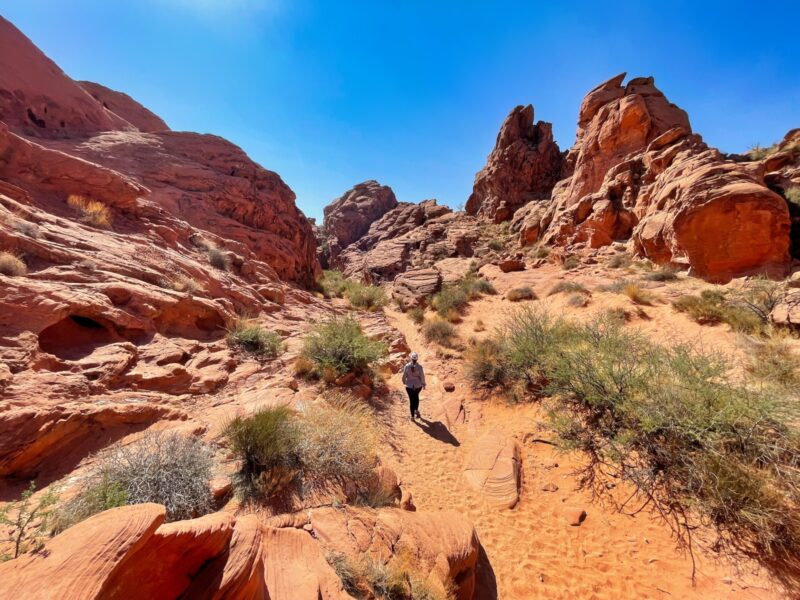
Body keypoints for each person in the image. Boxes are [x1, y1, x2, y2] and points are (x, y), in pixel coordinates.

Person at [401, 351, 426, 420]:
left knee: (411, 400)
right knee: (416, 397)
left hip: (409, 386)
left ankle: (412, 416)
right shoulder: (420, 367)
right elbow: (422, 376)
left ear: (411, 358)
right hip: (418, 386)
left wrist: (404, 381)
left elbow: (404, 376)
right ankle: (416, 410)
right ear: (417, 359)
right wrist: (423, 384)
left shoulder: (407, 366)